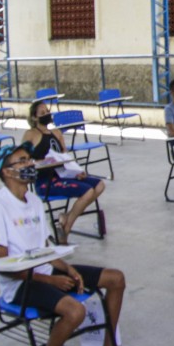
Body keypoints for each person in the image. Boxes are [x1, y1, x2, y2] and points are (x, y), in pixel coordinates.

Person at [0, 144, 141, 346]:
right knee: (74, 311)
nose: (29, 164)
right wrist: (50, 279)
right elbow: (4, 264)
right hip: (20, 283)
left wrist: (68, 269)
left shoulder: (33, 200)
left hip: (46, 269)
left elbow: (46, 246)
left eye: (28, 160)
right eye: (21, 161)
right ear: (6, 172)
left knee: (116, 278)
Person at [20, 97, 107, 241]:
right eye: (42, 112)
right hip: (45, 181)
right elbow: (23, 160)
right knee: (87, 191)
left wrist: (77, 171)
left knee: (99, 185)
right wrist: (44, 162)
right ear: (35, 117)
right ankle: (66, 230)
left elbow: (65, 157)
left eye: (47, 111)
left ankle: (66, 218)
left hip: (63, 175)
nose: (47, 114)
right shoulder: (31, 134)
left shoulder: (56, 133)